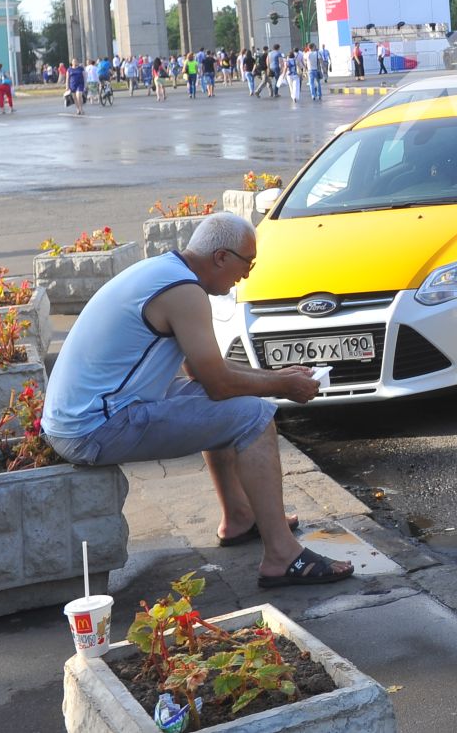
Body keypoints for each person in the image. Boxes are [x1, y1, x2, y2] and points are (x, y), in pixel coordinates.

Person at [43, 214, 355, 590]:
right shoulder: (184, 292)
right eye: (247, 263)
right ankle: (282, 556)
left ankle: (239, 517)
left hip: (81, 419)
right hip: (94, 429)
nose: (247, 275)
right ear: (221, 257)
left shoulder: (166, 272)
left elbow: (206, 373)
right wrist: (282, 387)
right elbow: (221, 385)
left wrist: (280, 376)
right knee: (254, 415)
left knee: (221, 403)